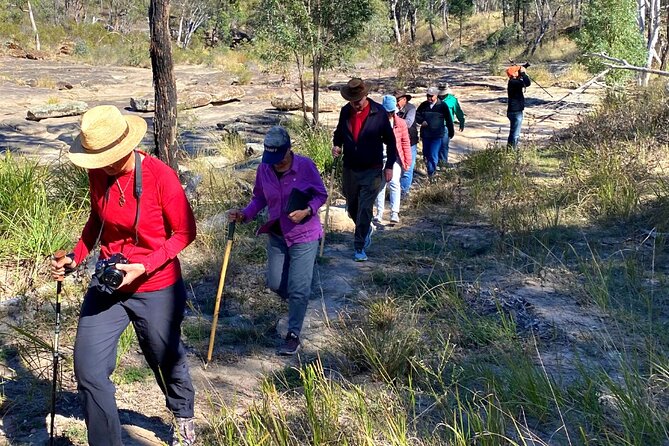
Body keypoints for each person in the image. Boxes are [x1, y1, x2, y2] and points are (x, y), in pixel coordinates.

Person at [50, 105, 197, 446]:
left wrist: (144, 266)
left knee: (163, 354)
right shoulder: (99, 172)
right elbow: (96, 220)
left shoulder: (160, 176)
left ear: (122, 151)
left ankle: (183, 411)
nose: (96, 164)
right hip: (110, 281)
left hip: (156, 283)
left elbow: (185, 233)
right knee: (88, 369)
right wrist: (75, 257)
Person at [227, 126, 327, 355]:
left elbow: (321, 194)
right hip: (277, 233)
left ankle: (293, 335)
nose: (275, 164)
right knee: (275, 283)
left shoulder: (306, 166)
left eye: (279, 159)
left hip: (304, 234)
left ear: (289, 150)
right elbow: (259, 197)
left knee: (299, 287)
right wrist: (245, 214)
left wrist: (307, 211)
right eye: (271, 159)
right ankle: (298, 300)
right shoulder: (264, 168)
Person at [332, 78, 397, 262]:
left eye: (358, 101)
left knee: (365, 209)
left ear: (365, 96)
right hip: (350, 167)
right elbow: (339, 133)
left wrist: (390, 165)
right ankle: (366, 228)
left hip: (372, 169)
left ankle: (359, 246)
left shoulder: (379, 112)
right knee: (352, 207)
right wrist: (337, 145)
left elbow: (391, 141)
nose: (355, 105)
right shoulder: (346, 111)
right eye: (352, 101)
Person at [374, 95, 411, 224]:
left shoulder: (400, 123)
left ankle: (394, 213)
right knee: (380, 185)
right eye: (387, 111)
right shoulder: (376, 121)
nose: (389, 114)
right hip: (379, 157)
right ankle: (379, 213)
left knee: (395, 183)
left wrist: (407, 161)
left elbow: (405, 142)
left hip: (394, 158)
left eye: (391, 112)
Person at [415, 86, 454, 178]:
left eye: (431, 96)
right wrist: (421, 121)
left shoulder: (442, 106)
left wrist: (451, 132)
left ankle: (431, 174)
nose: (429, 98)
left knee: (433, 155)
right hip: (425, 135)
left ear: (436, 95)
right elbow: (416, 115)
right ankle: (430, 170)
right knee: (426, 154)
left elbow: (449, 119)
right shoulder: (423, 105)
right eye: (428, 96)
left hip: (437, 135)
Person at [395, 90, 419, 197]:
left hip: (410, 142)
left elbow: (408, 123)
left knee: (407, 168)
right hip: (395, 142)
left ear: (404, 99)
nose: (396, 102)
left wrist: (394, 117)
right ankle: (396, 192)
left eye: (398, 100)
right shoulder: (393, 109)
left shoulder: (411, 108)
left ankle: (404, 192)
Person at [437, 83, 466, 167]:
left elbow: (458, 111)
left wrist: (462, 121)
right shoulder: (434, 98)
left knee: (444, 145)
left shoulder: (452, 100)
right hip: (434, 125)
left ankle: (443, 163)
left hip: (446, 125)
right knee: (435, 144)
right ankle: (435, 162)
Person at [506, 65, 531, 149]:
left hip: (514, 111)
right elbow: (527, 83)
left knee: (513, 133)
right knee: (515, 134)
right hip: (515, 112)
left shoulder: (513, 82)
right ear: (514, 74)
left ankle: (509, 150)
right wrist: (523, 73)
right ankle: (512, 151)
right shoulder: (514, 82)